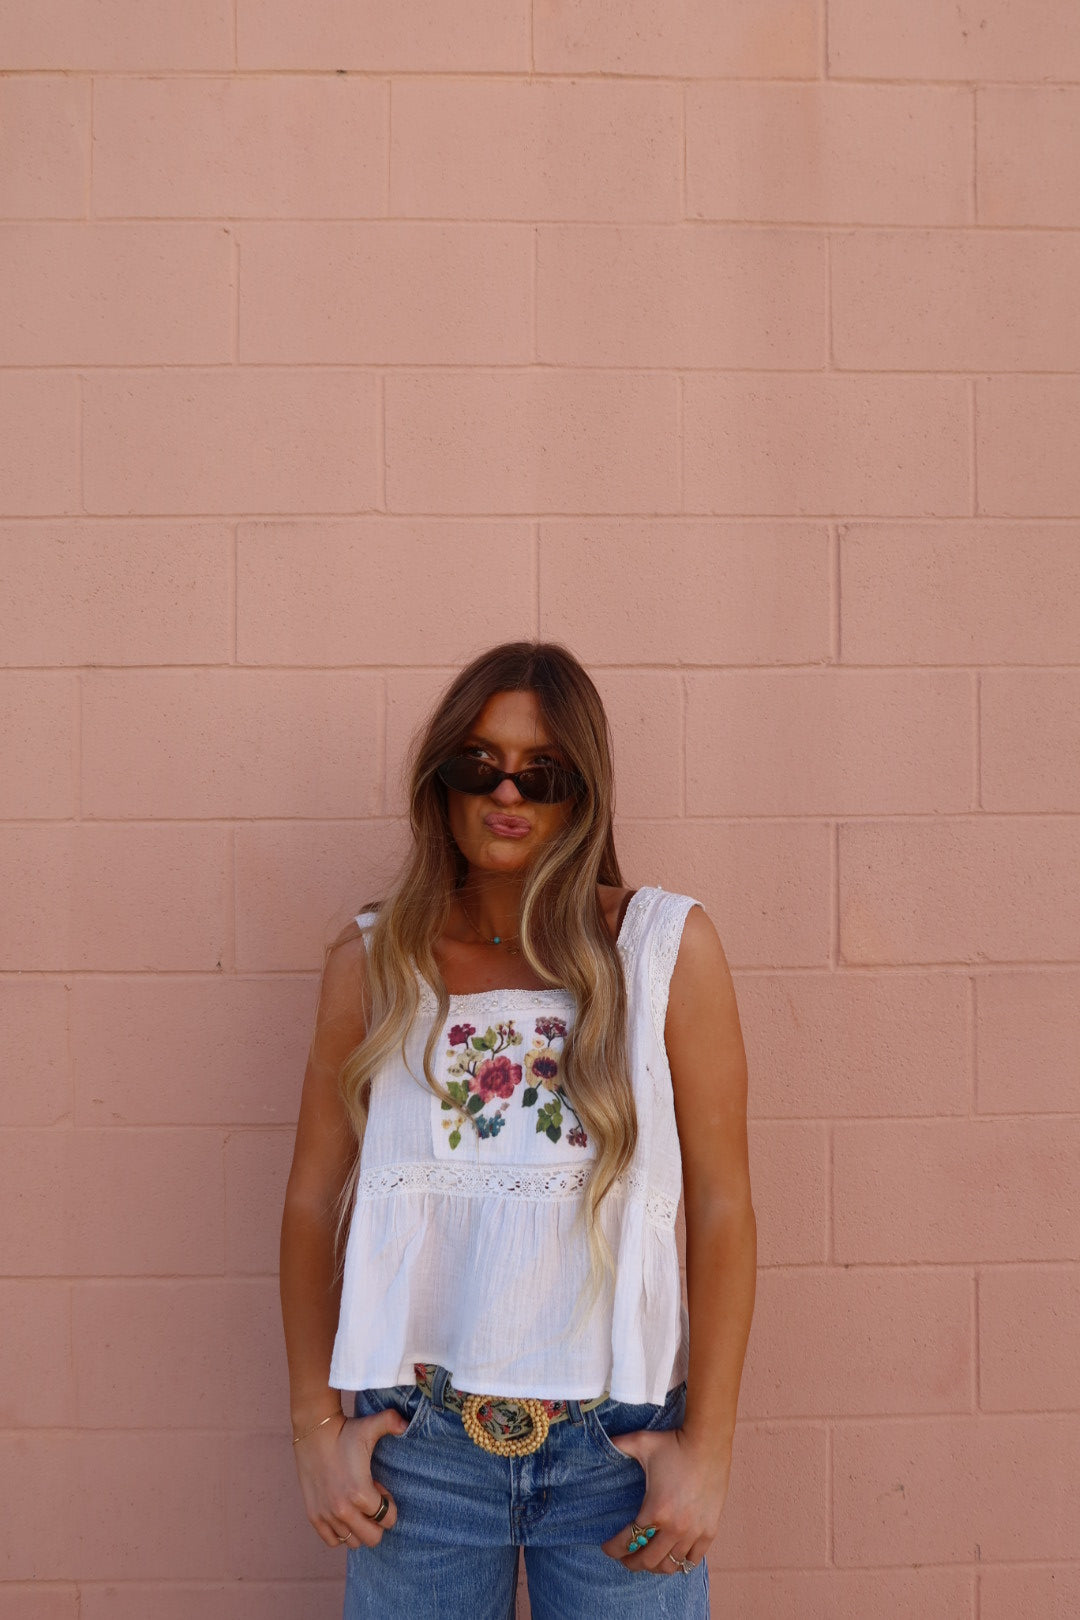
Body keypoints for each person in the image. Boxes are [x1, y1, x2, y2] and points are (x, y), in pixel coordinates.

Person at [279, 640, 756, 1619]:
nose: (508, 792)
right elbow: (311, 1201)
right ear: (441, 780)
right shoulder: (375, 962)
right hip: (420, 1455)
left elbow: (722, 1206)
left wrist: (708, 1451)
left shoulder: (662, 949)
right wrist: (313, 1429)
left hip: (620, 1454)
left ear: (583, 793)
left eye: (542, 772)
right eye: (480, 764)